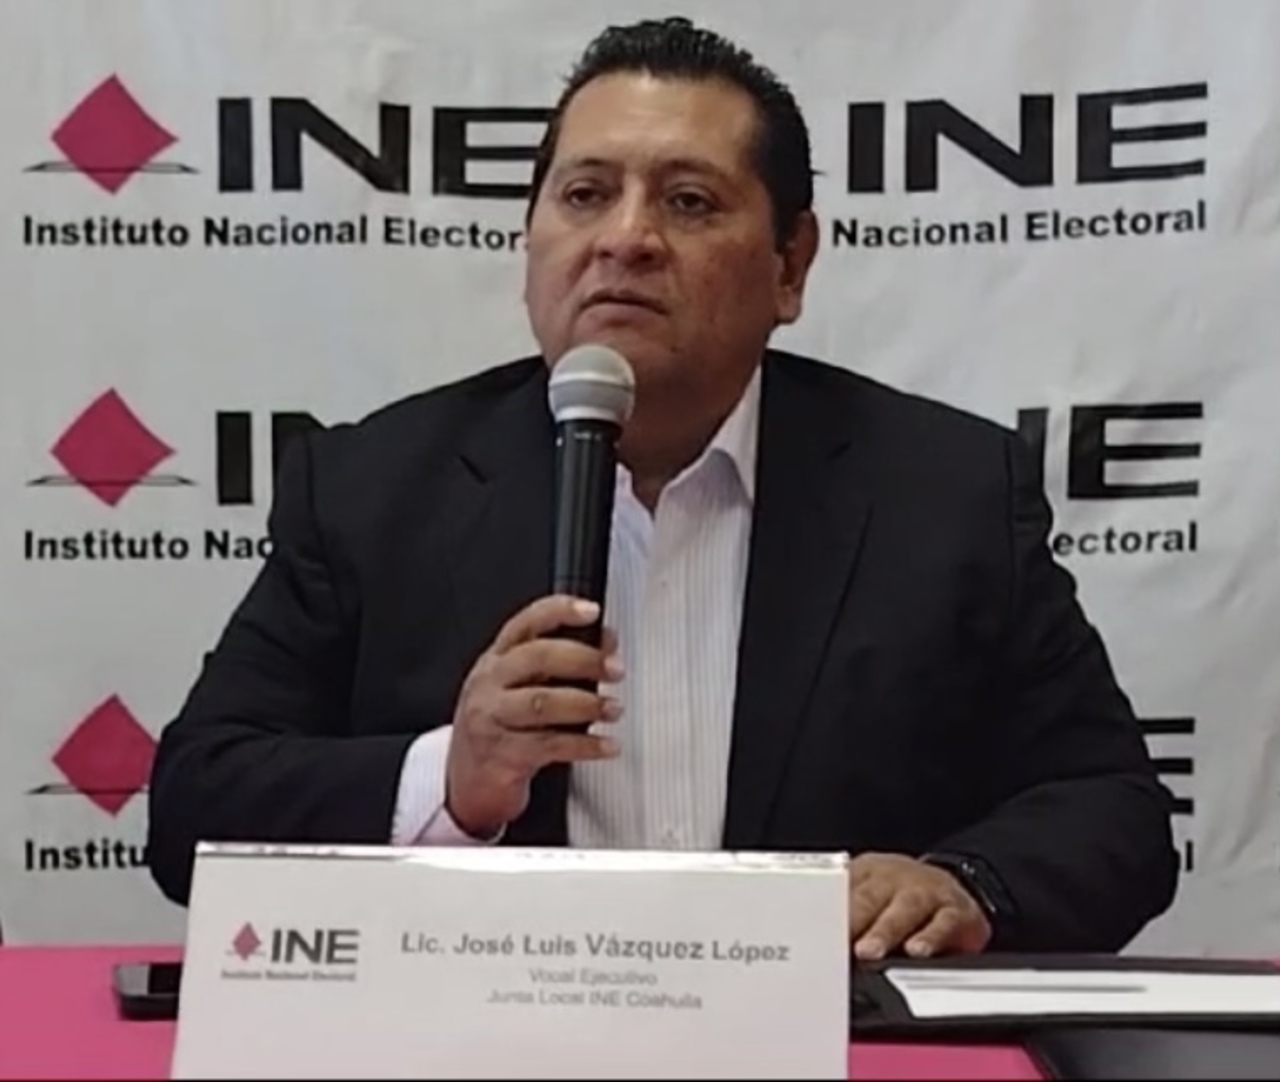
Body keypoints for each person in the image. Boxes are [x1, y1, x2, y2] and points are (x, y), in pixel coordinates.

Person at [146, 16, 1178, 959]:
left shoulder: (944, 493)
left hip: (827, 1040)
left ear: (790, 264)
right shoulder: (372, 488)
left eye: (688, 202)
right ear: (531, 238)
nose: (625, 239)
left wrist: (963, 884)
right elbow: (195, 809)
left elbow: (1115, 809)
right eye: (585, 194)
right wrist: (448, 779)